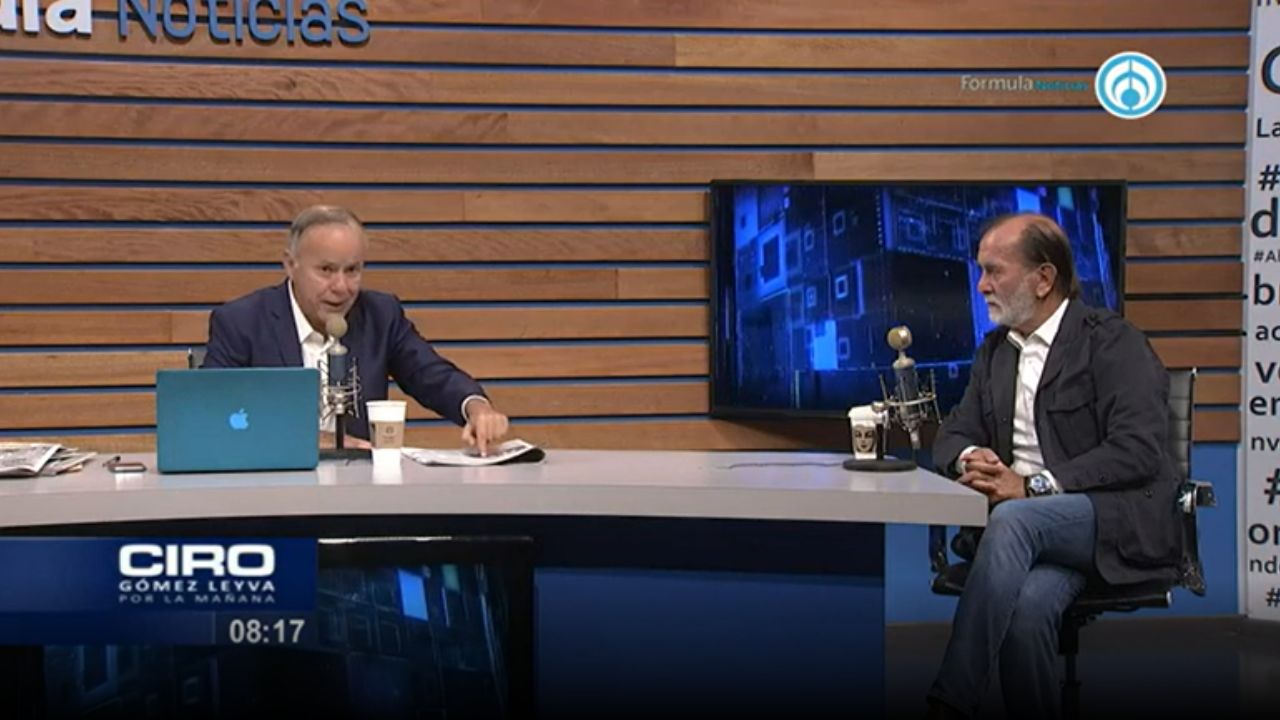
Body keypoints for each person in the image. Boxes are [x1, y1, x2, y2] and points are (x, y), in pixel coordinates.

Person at [927, 213, 1182, 719]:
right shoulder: (995, 353)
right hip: (1036, 537)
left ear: (1043, 279)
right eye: (980, 271)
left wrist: (1033, 486)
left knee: (1014, 518)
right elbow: (952, 433)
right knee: (1026, 613)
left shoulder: (1112, 342)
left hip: (1110, 520)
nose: (981, 285)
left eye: (994, 271)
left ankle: (951, 700)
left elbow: (1137, 449)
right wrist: (972, 456)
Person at [203, 205, 511, 455]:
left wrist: (476, 407)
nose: (341, 287)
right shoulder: (242, 322)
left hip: (359, 488)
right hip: (274, 490)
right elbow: (212, 413)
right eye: (326, 270)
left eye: (352, 270)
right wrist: (310, 441)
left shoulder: (380, 315)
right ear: (290, 264)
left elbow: (430, 373)